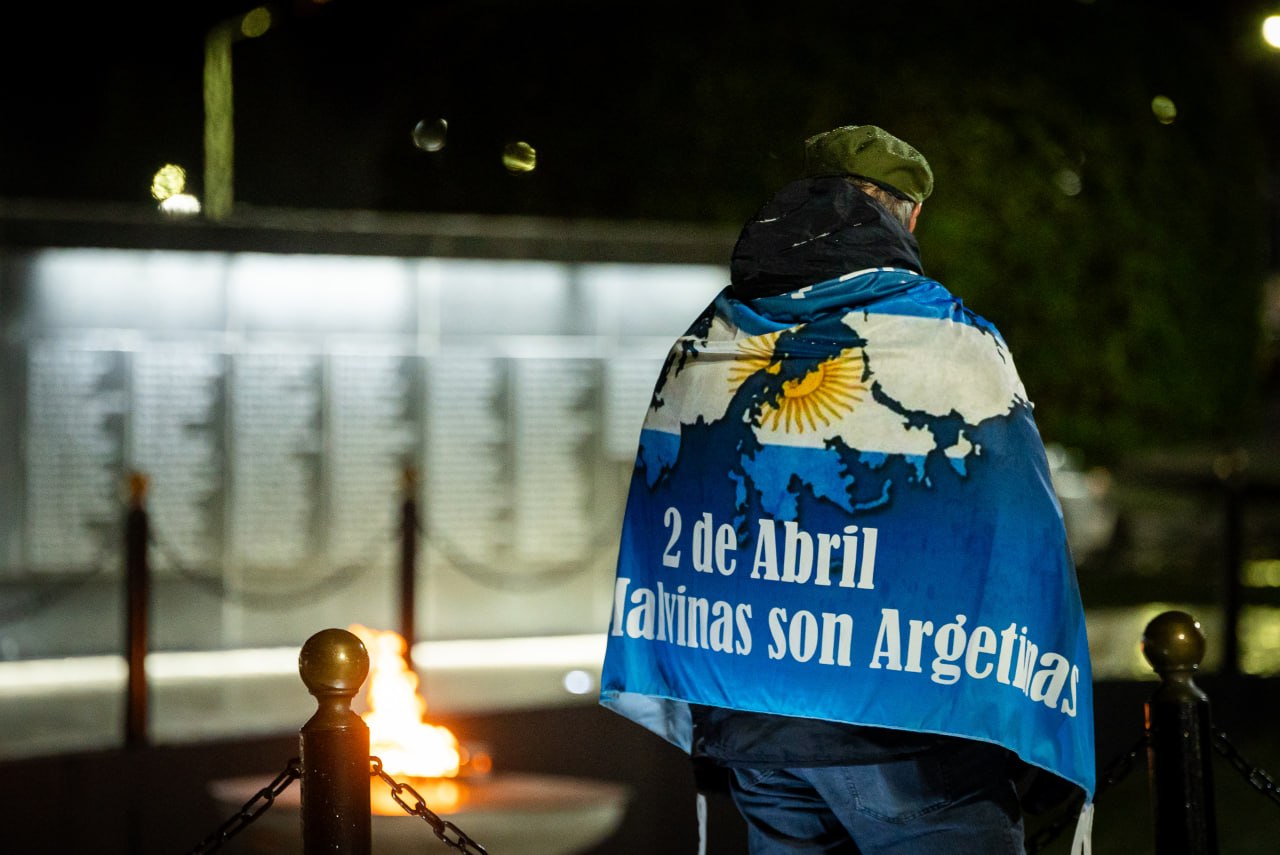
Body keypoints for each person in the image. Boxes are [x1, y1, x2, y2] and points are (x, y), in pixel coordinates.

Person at [599, 124, 1095, 854]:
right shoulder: (950, 339)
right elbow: (1023, 537)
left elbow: (665, 509)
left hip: (754, 726)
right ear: (909, 214)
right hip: (911, 736)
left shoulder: (710, 334)